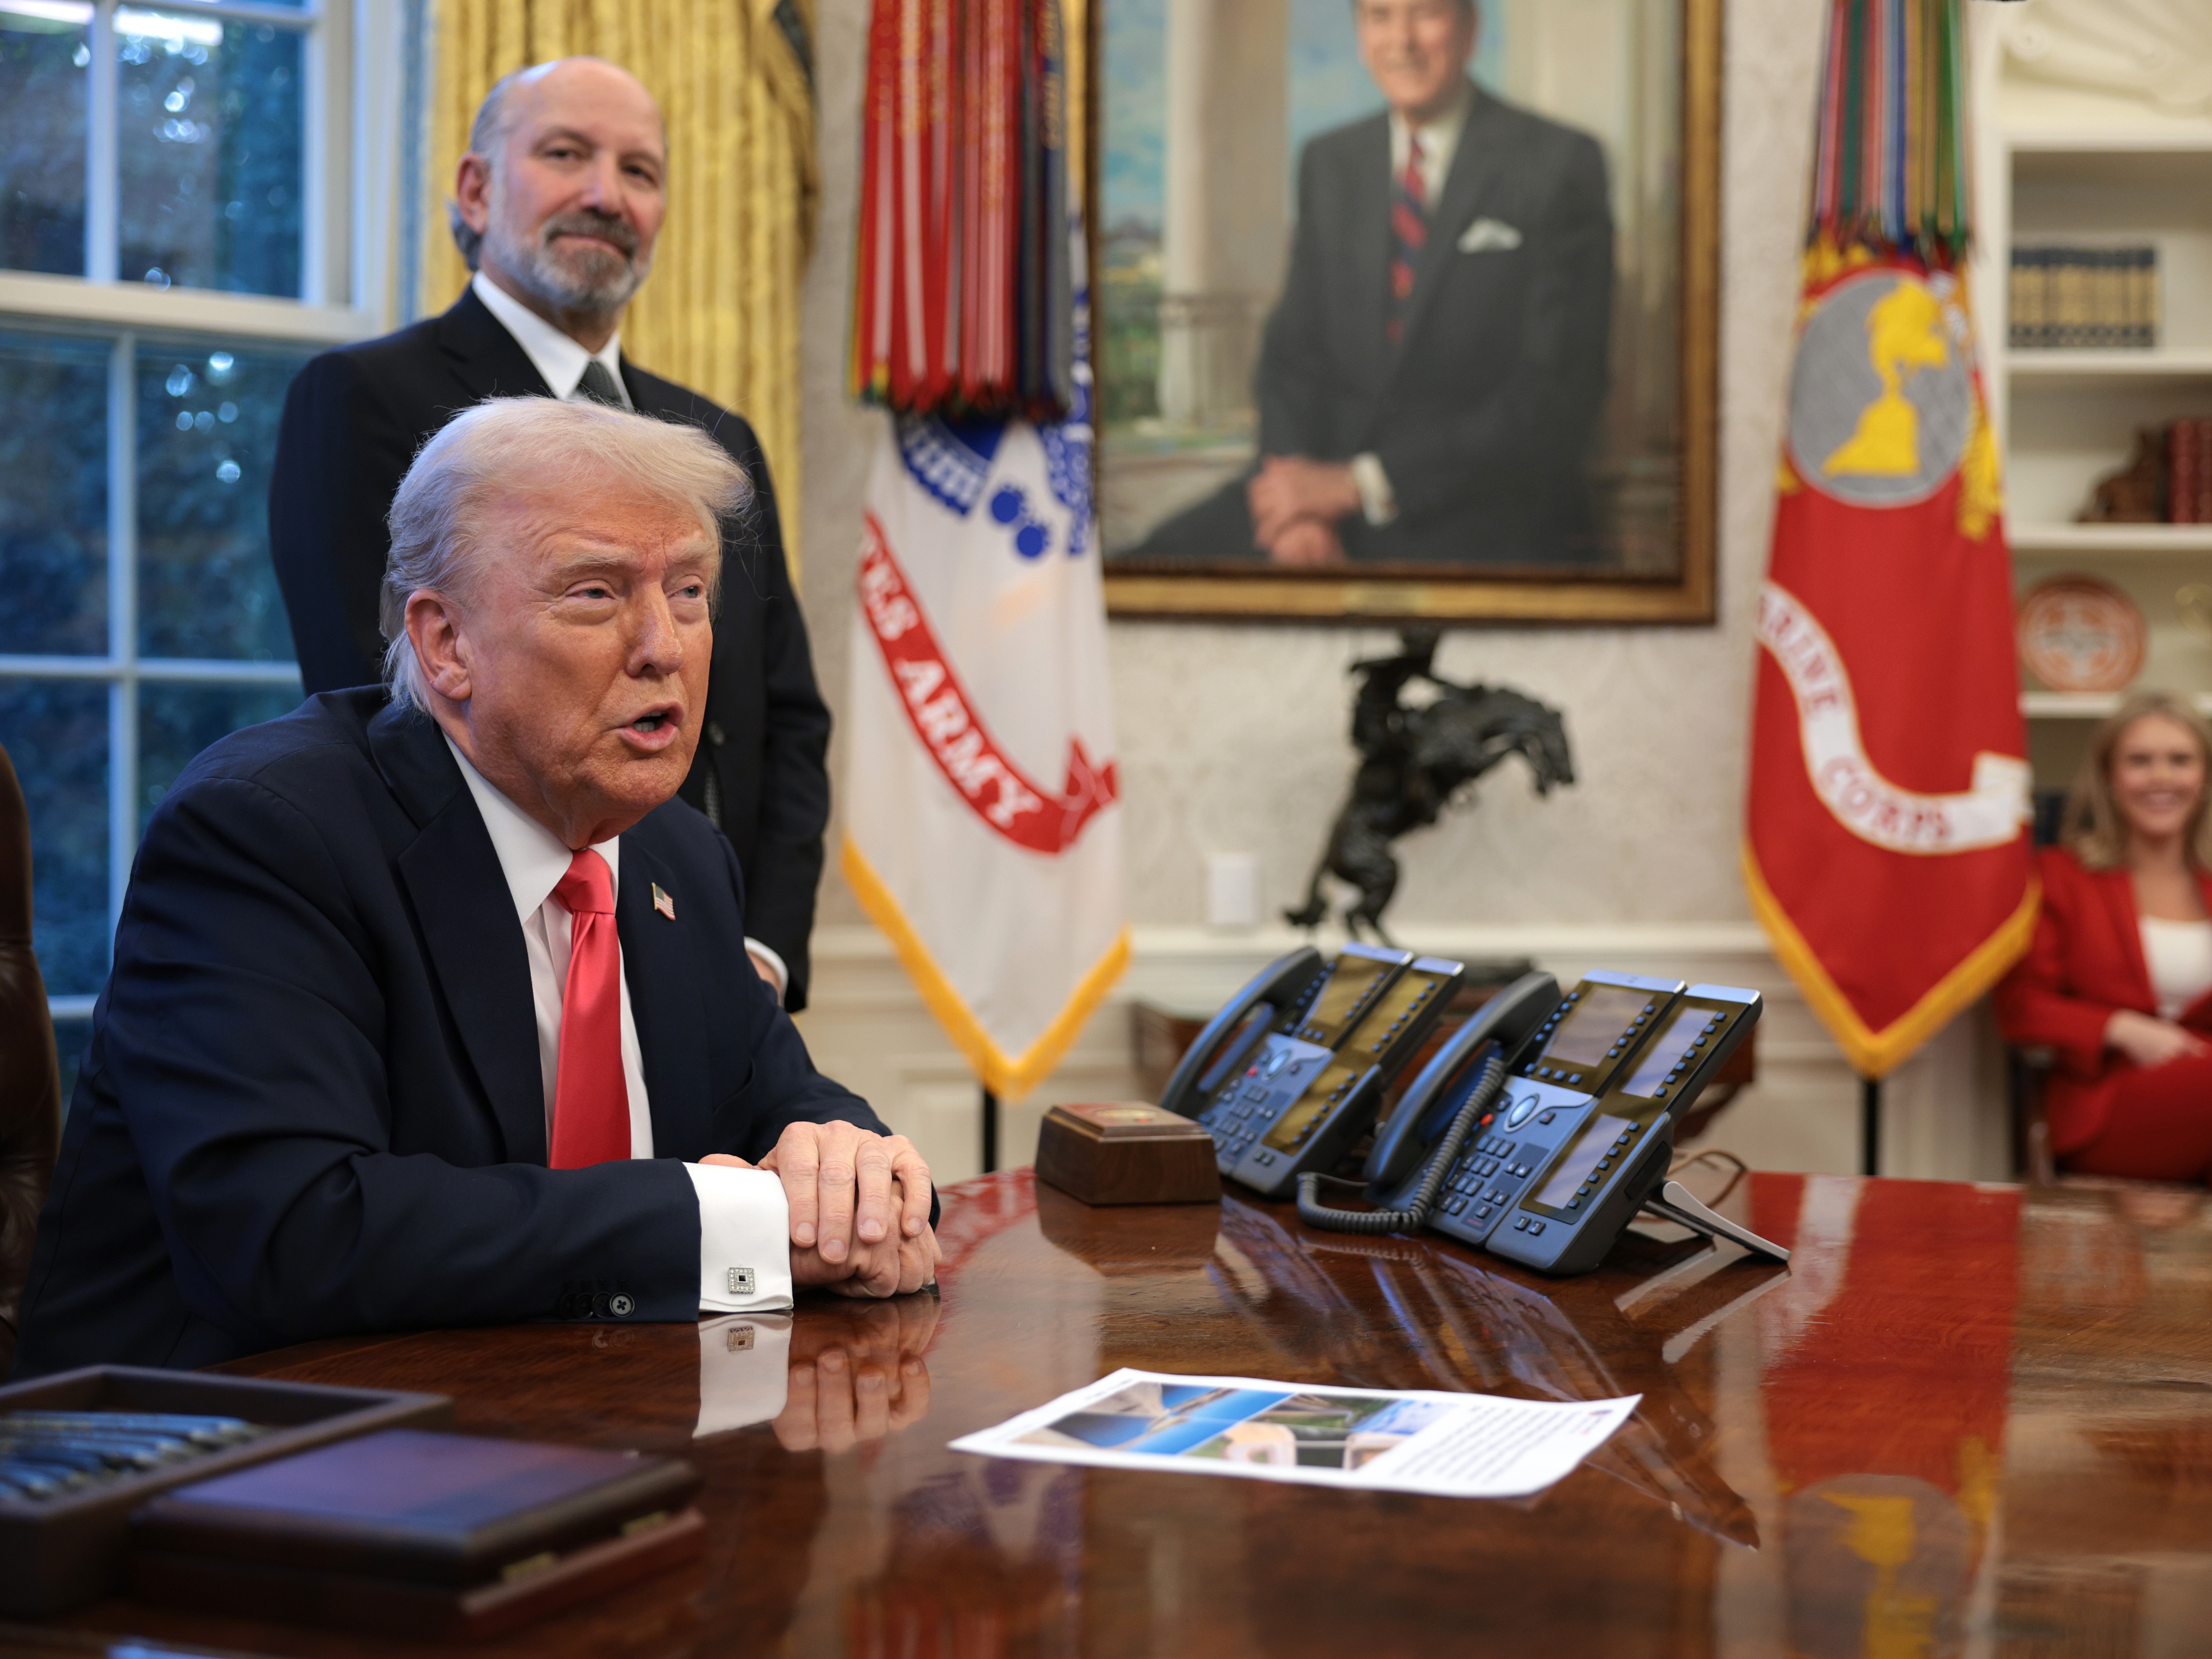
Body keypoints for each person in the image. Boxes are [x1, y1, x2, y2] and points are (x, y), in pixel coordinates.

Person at [10, 399, 937, 1379]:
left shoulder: (681, 858)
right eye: (595, 593)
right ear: (447, 643)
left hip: (584, 1435)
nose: (663, 645)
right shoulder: (268, 832)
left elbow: (792, 1106)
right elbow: (293, 1236)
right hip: (211, 1461)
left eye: (691, 592)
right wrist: (729, 1218)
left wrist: (863, 1176)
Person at [270, 57, 829, 1009]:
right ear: (477, 190)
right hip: (470, 967)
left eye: (640, 172)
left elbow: (782, 720)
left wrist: (759, 954)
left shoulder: (716, 439)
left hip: (712, 978)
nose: (606, 195)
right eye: (567, 154)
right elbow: (377, 701)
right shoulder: (365, 398)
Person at [1126, 0, 1613, 567]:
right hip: (1319, 499)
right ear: (1360, 36)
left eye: (1425, 14)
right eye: (1379, 15)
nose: (1400, 41)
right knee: (1132, 572)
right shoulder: (1329, 162)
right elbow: (1291, 360)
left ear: (1469, 29)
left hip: (1476, 509)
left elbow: (1556, 395)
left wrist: (1361, 485)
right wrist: (1298, 508)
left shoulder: (1558, 164)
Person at [1996, 692, 2212, 1183]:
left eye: (2179, 760)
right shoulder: (2057, 876)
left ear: (2202, 779)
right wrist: (2123, 1028)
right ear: (2110, 780)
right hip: (2104, 1106)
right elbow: (2020, 1007)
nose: (2161, 777)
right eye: (2139, 761)